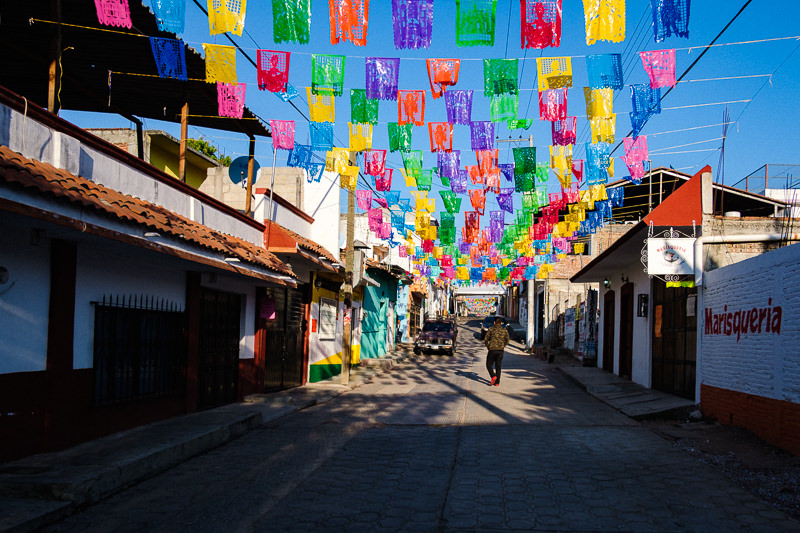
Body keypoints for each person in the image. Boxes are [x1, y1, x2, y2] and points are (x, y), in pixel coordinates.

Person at [484, 317, 509, 386]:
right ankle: (497, 382)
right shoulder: (504, 330)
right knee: (498, 366)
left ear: (494, 322)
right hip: (500, 350)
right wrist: (503, 345)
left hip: (492, 349)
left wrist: (488, 346)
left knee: (488, 364)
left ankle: (493, 376)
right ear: (501, 323)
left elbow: (486, 339)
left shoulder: (491, 329)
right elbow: (507, 340)